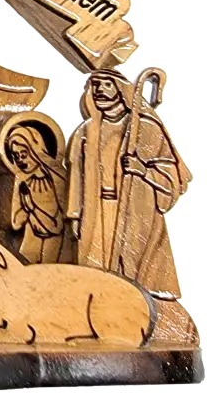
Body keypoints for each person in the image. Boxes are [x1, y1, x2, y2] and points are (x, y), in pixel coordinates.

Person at [66, 69, 190, 299]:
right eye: (96, 85)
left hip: (135, 212)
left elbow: (175, 175)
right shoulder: (86, 132)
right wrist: (75, 214)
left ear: (121, 89)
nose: (100, 90)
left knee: (133, 266)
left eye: (107, 84)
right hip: (96, 212)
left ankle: (137, 307)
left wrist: (142, 170)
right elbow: (76, 175)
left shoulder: (145, 128)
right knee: (95, 269)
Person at [4, 125, 67, 264]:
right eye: (16, 156)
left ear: (35, 151)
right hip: (31, 236)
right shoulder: (21, 180)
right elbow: (16, 223)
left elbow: (58, 224)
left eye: (23, 154)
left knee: (50, 271)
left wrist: (31, 205)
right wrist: (25, 207)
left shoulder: (57, 178)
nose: (20, 160)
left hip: (54, 239)